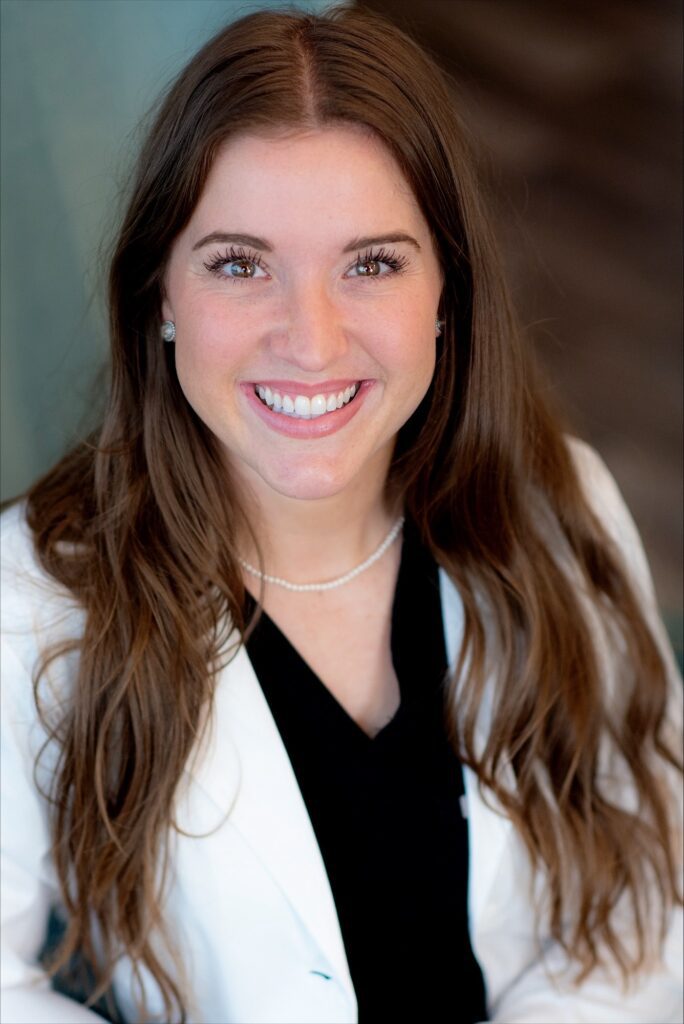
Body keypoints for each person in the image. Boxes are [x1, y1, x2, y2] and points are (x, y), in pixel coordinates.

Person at [1, 6, 681, 1023]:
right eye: (239, 262)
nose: (311, 344)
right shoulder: (29, 601)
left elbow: (645, 909)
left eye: (372, 263)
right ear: (161, 295)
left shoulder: (561, 508)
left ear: (446, 290)